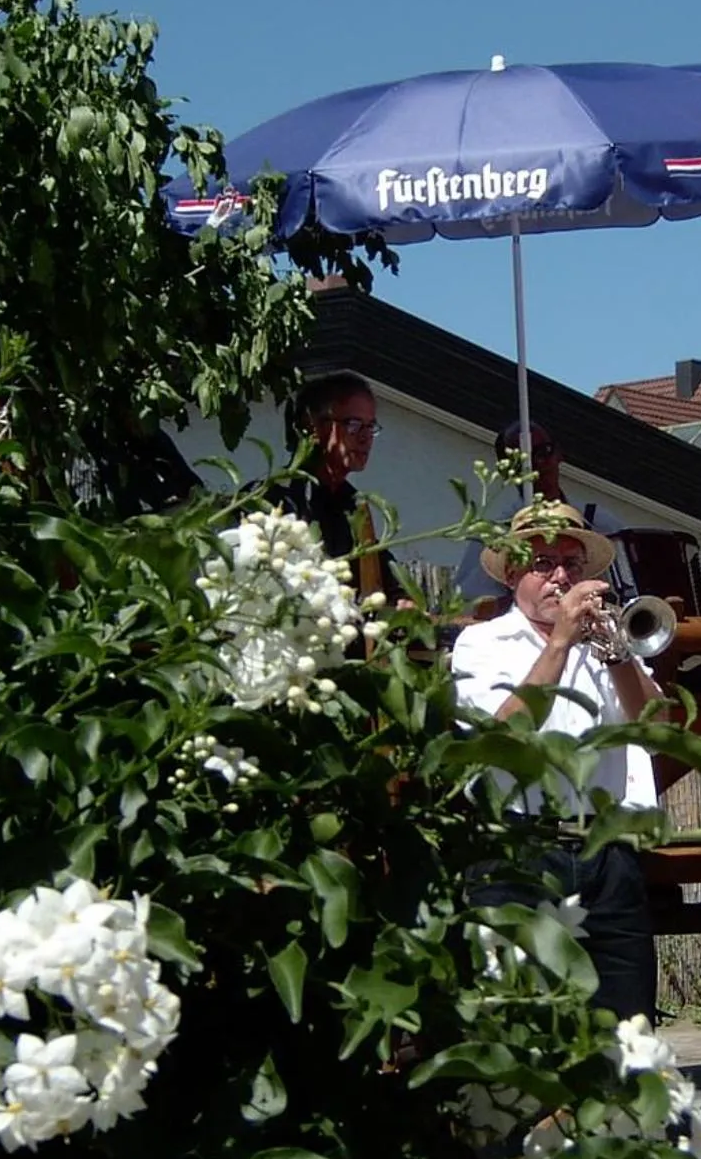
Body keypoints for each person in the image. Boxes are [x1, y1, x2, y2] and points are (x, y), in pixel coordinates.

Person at [450, 499, 663, 1022]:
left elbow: (658, 730)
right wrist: (561, 644)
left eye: (570, 564)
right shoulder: (481, 643)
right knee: (518, 1019)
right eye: (543, 564)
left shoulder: (609, 646)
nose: (560, 577)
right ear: (513, 576)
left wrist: (616, 657)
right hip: (520, 846)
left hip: (608, 851)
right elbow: (498, 736)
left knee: (625, 1018)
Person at [453, 420, 635, 612]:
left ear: (559, 454)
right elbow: (469, 606)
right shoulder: (493, 535)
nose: (536, 464)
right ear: (505, 471)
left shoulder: (600, 522)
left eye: (544, 452)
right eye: (522, 460)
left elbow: (634, 592)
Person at [270, 373, 401, 601]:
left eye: (370, 427)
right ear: (312, 426)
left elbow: (388, 581)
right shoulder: (274, 499)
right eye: (353, 424)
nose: (365, 437)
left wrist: (403, 598)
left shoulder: (355, 506)